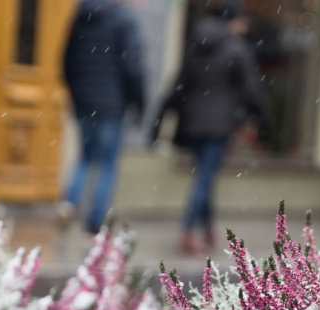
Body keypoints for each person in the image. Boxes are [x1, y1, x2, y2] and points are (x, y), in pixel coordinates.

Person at [152, 1, 266, 255]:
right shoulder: (237, 49)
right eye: (242, 21)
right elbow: (252, 91)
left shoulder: (196, 43)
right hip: (220, 125)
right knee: (205, 177)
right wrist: (261, 120)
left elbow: (179, 83)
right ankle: (188, 230)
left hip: (193, 123)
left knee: (204, 175)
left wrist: (160, 119)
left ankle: (207, 229)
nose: (245, 27)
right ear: (233, 21)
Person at [59, 0, 145, 234]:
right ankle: (95, 219)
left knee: (86, 156)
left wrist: (76, 93)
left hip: (84, 101)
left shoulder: (81, 15)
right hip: (111, 104)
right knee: (107, 162)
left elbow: (66, 58)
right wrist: (138, 103)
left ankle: (70, 202)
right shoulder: (123, 19)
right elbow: (133, 67)